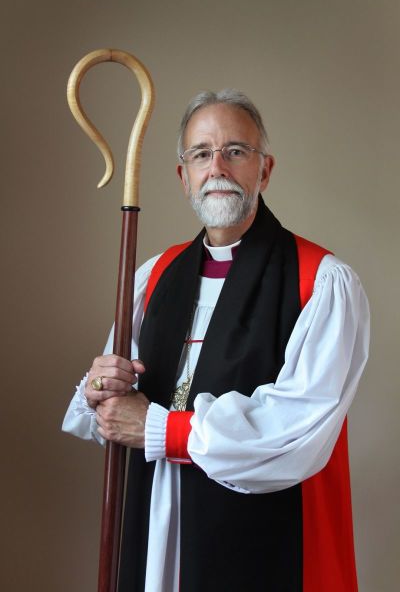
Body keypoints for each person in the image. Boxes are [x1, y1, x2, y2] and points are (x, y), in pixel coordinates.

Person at [63, 90, 370, 592]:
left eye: (235, 151)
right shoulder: (154, 276)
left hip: (265, 540)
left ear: (264, 170)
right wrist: (101, 391)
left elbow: (293, 431)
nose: (217, 167)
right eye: (201, 154)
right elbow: (115, 410)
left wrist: (163, 430)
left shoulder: (320, 280)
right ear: (183, 176)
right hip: (158, 520)